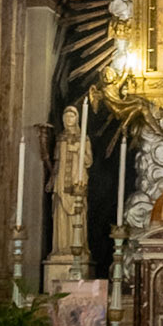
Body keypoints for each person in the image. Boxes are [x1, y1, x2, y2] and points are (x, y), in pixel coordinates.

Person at [49, 102, 92, 257]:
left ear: (77, 118)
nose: (68, 119)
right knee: (60, 213)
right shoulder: (60, 139)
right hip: (61, 183)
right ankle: (61, 248)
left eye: (72, 116)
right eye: (66, 116)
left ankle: (78, 248)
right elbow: (57, 162)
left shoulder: (83, 138)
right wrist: (53, 181)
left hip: (77, 181)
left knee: (78, 213)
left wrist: (79, 150)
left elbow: (88, 161)